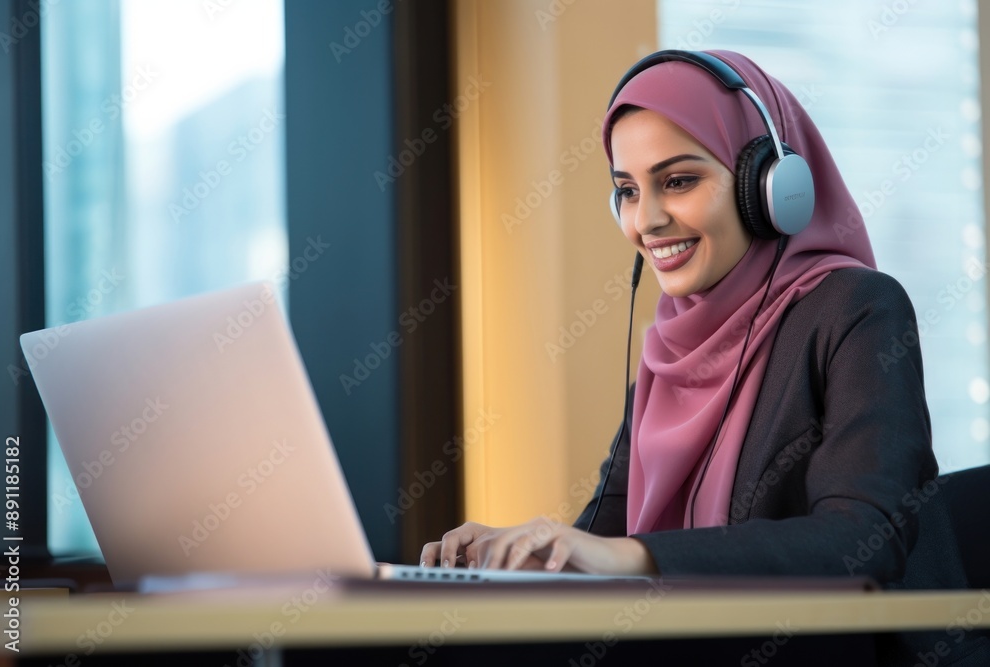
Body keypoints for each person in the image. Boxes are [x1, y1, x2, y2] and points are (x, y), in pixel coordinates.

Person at [420, 50, 989, 664]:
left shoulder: (857, 308)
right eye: (627, 191)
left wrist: (635, 558)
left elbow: (865, 538)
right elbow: (602, 537)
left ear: (771, 189)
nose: (648, 220)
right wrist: (519, 557)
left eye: (679, 181)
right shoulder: (669, 349)